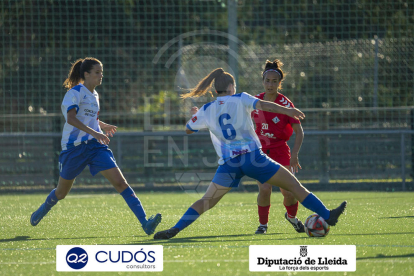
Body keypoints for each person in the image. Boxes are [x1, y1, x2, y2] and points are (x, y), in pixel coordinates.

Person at [154, 68, 346, 240]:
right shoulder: (241, 98)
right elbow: (267, 106)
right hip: (254, 159)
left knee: (206, 201)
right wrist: (288, 110)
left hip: (229, 164)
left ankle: (175, 229)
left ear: (214, 91)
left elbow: (188, 129)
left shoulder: (207, 109)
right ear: (231, 87)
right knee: (294, 186)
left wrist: (196, 115)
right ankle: (327, 215)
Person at [30, 57, 162, 235]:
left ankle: (145, 223)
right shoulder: (74, 93)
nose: (101, 75)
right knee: (61, 193)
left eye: (102, 72)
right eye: (97, 72)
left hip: (95, 147)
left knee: (120, 182)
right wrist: (95, 132)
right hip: (74, 148)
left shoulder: (95, 95)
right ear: (86, 74)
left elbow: (91, 120)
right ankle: (43, 209)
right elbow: (71, 119)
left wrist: (102, 126)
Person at [252, 59, 305, 234]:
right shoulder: (255, 101)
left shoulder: (285, 104)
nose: (270, 84)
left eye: (275, 81)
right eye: (267, 81)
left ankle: (291, 217)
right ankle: (263, 225)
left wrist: (294, 155)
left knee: (288, 192)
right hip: (260, 153)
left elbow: (299, 131)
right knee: (265, 188)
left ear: (280, 84)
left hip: (281, 151)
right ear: (263, 82)